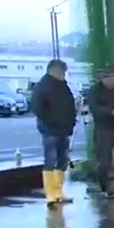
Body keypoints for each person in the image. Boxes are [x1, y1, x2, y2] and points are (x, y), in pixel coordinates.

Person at [32, 59, 77, 207]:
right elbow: (37, 107)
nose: (63, 75)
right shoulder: (43, 86)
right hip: (50, 129)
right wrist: (51, 120)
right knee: (50, 159)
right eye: (61, 72)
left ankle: (58, 191)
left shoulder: (63, 87)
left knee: (62, 160)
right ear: (53, 70)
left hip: (64, 129)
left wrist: (71, 121)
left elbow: (70, 104)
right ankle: (50, 193)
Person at [86, 67, 114, 198]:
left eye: (113, 78)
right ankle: (104, 188)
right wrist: (112, 112)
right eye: (109, 79)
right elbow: (95, 108)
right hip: (103, 129)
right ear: (103, 79)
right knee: (104, 161)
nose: (112, 81)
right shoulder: (95, 91)